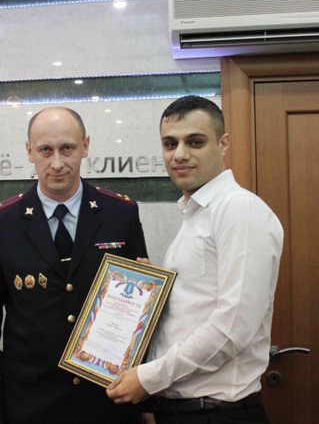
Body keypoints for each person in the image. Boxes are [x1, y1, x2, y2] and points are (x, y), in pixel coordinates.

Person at [106, 95, 284, 424]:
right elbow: (195, 309)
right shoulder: (196, 214)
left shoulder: (239, 210)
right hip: (184, 410)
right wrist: (152, 292)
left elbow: (232, 329)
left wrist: (148, 379)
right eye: (170, 143)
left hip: (218, 413)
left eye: (195, 142)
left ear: (223, 144)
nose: (180, 154)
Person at [0, 106, 148, 424]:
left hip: (108, 404)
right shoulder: (0, 225)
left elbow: (141, 320)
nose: (57, 163)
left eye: (67, 149)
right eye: (45, 150)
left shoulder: (121, 214)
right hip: (30, 408)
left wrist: (147, 402)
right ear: (29, 151)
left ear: (85, 146)